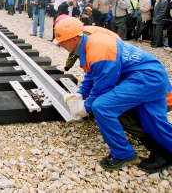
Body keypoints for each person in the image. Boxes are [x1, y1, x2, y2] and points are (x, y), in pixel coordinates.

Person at [55, 17, 172, 171]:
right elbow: (91, 74)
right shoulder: (90, 44)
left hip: (144, 79)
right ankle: (165, 151)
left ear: (75, 39)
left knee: (102, 107)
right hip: (154, 77)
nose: (61, 45)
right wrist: (80, 94)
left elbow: (103, 88)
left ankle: (123, 153)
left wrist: (85, 107)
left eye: (63, 42)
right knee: (153, 121)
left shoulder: (98, 51)